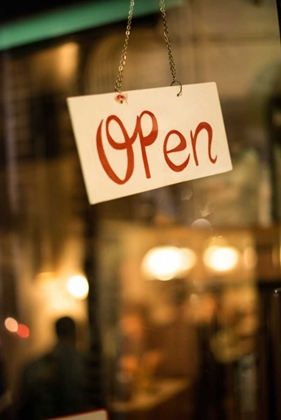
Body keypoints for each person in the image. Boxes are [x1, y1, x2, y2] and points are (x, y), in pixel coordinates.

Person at [16, 316, 90, 420]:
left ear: (56, 332)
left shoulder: (34, 366)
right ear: (75, 333)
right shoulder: (83, 363)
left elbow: (22, 406)